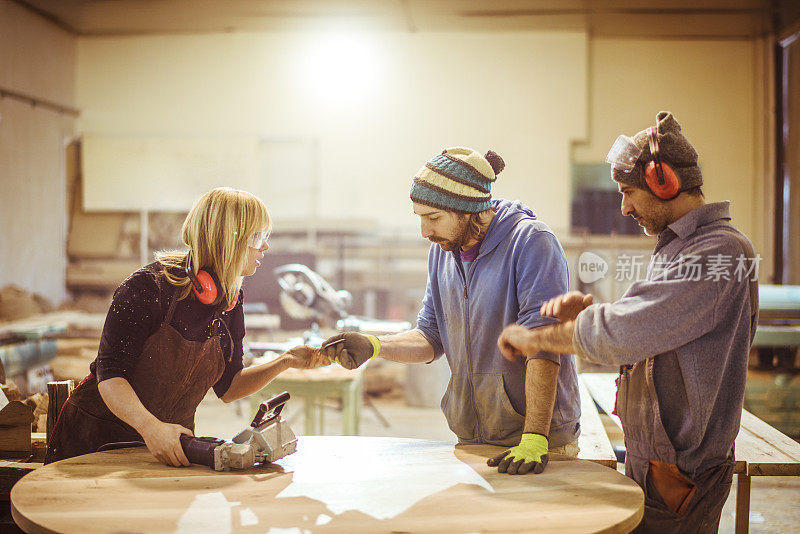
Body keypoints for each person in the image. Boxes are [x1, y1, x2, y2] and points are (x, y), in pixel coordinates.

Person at [497, 112, 758, 532]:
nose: (624, 207)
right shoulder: (677, 247)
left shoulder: (717, 253)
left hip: (681, 466)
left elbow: (629, 333)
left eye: (629, 192)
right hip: (655, 454)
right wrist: (586, 318)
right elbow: (656, 330)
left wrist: (537, 339)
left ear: (664, 183)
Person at [320, 147, 581, 475]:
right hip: (473, 434)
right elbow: (431, 336)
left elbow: (543, 344)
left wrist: (534, 438)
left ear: (468, 209)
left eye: (433, 218)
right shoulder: (444, 252)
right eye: (420, 218)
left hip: (539, 442)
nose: (424, 232)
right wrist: (374, 345)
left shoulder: (531, 242)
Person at [45, 187, 329, 467]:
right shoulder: (148, 287)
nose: (265, 246)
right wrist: (151, 427)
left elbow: (229, 387)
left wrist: (286, 360)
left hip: (169, 446)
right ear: (227, 237)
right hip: (95, 443)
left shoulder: (229, 298)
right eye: (257, 237)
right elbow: (110, 376)